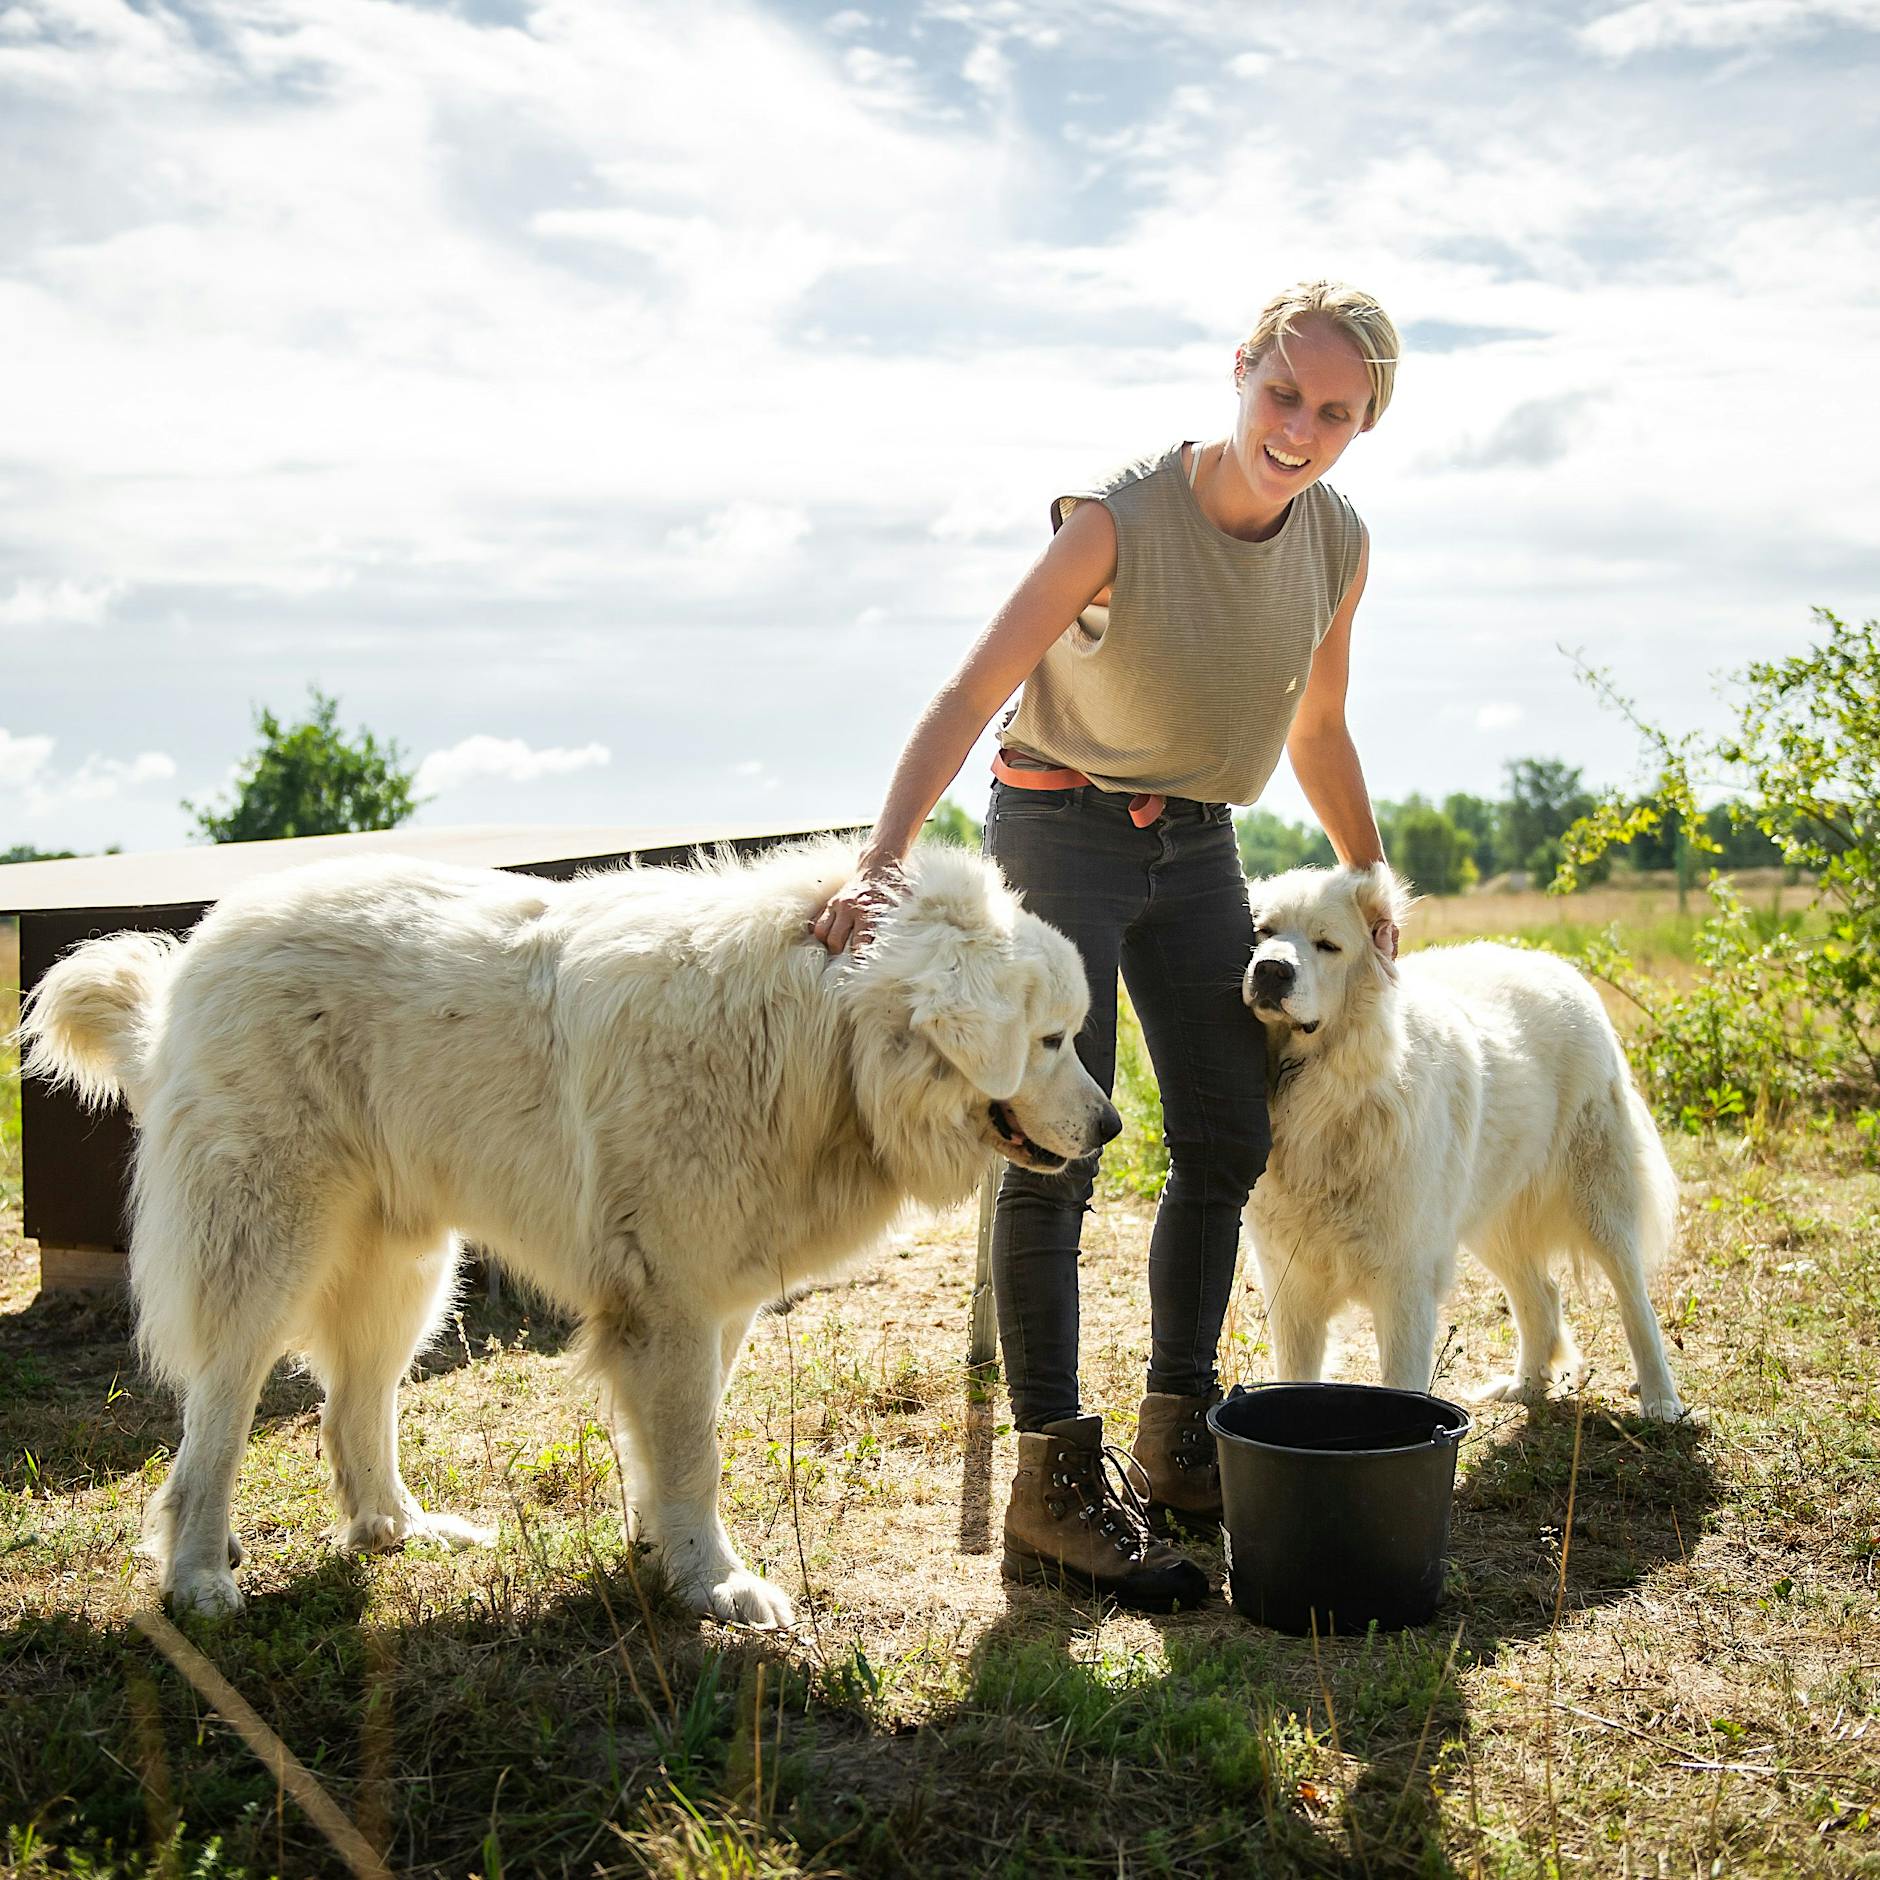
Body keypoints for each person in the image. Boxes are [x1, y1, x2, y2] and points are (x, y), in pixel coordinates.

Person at [813, 280, 1401, 1610]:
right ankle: (1053, 1488)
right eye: (1282, 394)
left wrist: (1366, 882)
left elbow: (1316, 731)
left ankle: (1177, 1434)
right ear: (1240, 367)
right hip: (1059, 822)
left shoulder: (1339, 545)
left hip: (1195, 845)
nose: (1299, 429)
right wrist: (884, 867)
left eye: (1335, 414)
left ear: (1364, 425)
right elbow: (971, 689)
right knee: (1050, 1134)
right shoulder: (1119, 519)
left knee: (1228, 1130)